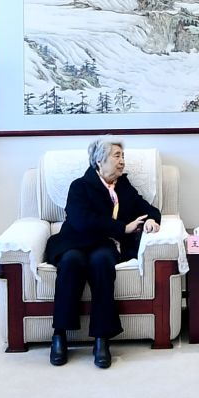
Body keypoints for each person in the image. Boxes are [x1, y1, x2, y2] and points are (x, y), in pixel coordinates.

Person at [45, 137, 164, 369]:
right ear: (100, 161)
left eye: (123, 156)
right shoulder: (79, 186)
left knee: (102, 262)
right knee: (71, 262)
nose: (122, 161)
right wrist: (122, 228)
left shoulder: (123, 187)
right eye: (117, 156)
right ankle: (59, 334)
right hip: (75, 242)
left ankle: (102, 339)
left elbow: (149, 209)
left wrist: (151, 220)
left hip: (104, 245)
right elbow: (82, 221)